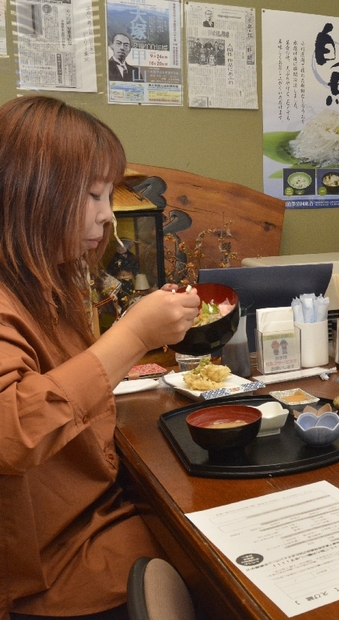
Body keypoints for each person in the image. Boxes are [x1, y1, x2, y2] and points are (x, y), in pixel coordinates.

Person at [0, 96, 202, 619]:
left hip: (94, 517)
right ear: (31, 194)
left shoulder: (44, 280)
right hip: (53, 567)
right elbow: (12, 430)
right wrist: (135, 334)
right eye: (92, 195)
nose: (108, 216)